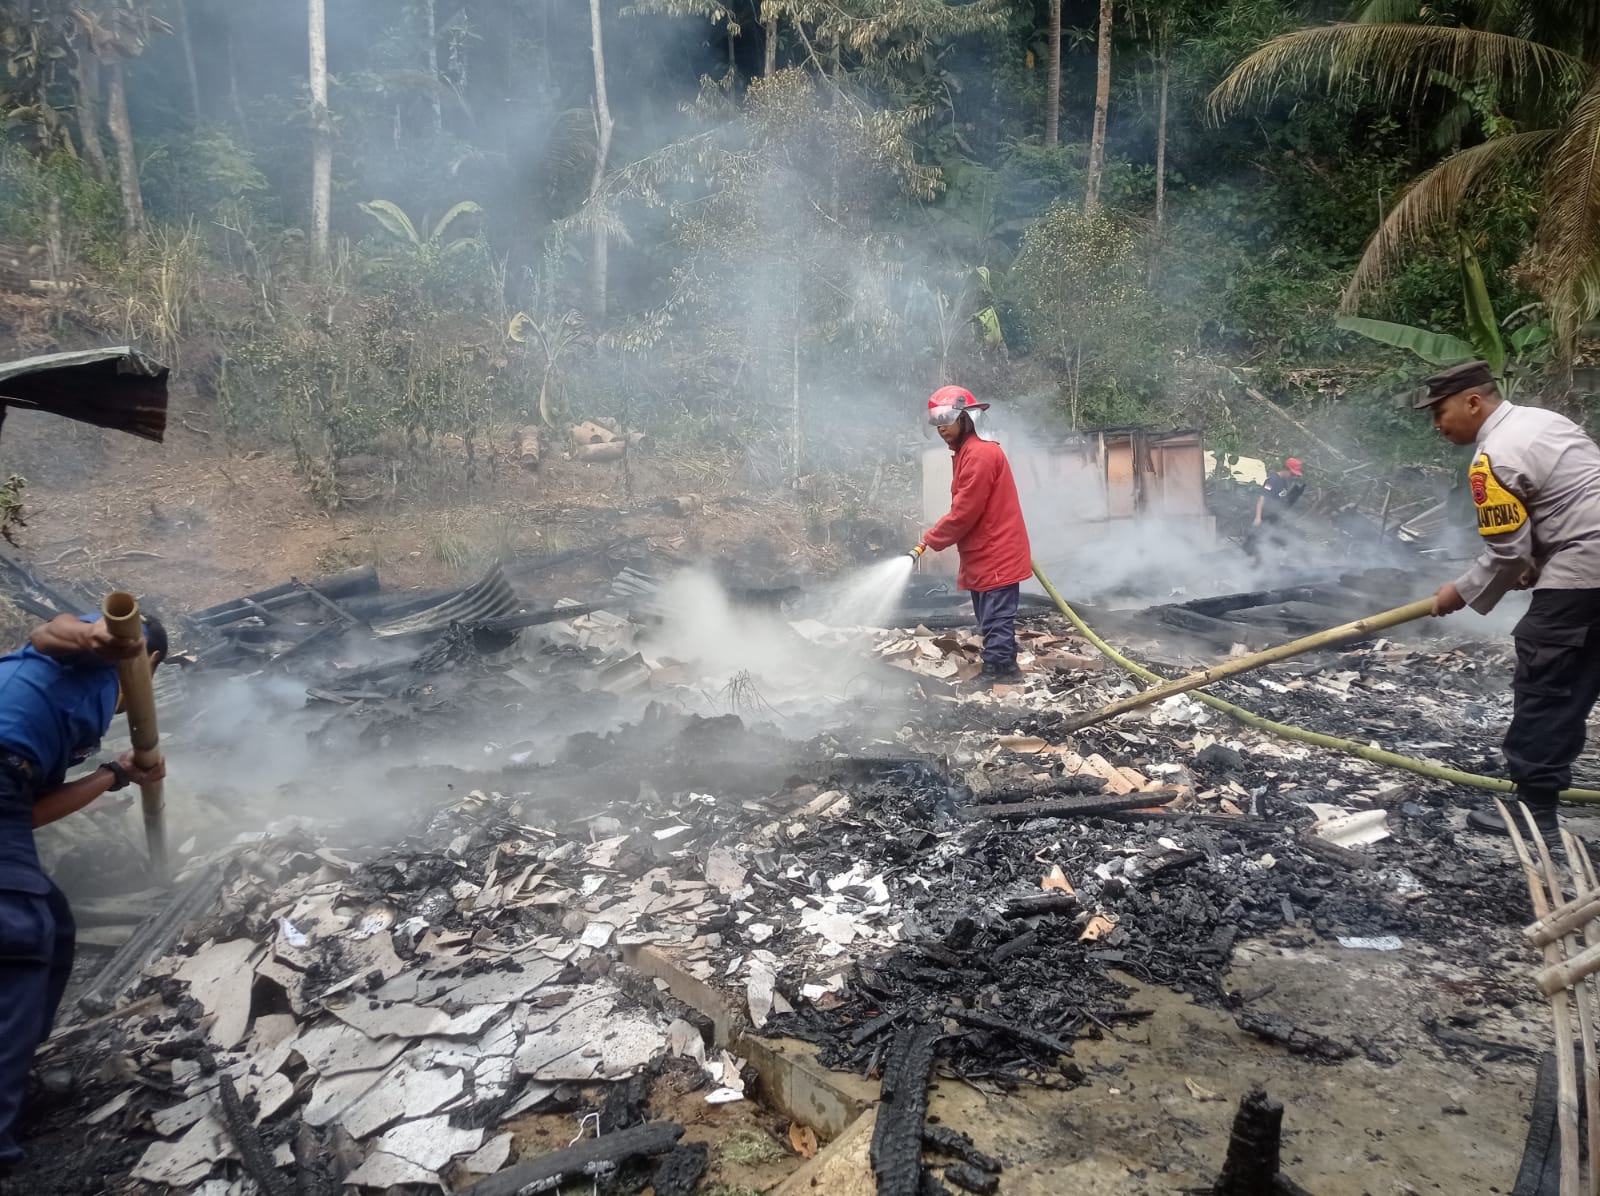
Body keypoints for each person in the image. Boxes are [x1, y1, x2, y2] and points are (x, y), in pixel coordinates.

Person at [0, 612, 166, 1168]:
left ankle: (15, 1078)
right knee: (19, 937)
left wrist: (113, 775)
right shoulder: (100, 658)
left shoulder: (63, 714)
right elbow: (52, 633)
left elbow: (26, 814)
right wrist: (102, 640)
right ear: (152, 665)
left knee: (53, 924)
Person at [1420, 360, 1600, 844]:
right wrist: (1535, 565)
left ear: (1473, 401)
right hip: (1586, 563)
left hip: (1585, 572)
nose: (1438, 425)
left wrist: (1457, 592)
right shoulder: (1545, 421)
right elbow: (1570, 504)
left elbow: (1506, 552)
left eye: (1440, 412)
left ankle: (1534, 812)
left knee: (1547, 683)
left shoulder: (1494, 456)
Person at [912, 386, 1033, 684]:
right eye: (936, 422)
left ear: (967, 418)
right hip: (984, 552)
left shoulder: (980, 454)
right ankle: (1000, 667)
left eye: (947, 419)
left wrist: (928, 540)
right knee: (988, 617)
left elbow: (965, 512)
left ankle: (1001, 672)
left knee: (996, 619)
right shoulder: (967, 453)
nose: (941, 427)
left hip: (997, 552)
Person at [1244, 457, 1305, 559]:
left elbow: (1282, 500)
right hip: (1265, 517)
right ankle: (1245, 561)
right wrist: (1258, 518)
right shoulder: (1272, 481)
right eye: (1292, 473)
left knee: (1273, 541)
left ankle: (1267, 562)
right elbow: (1262, 499)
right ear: (1286, 469)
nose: (1293, 476)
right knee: (1254, 542)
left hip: (1275, 518)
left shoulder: (1285, 482)